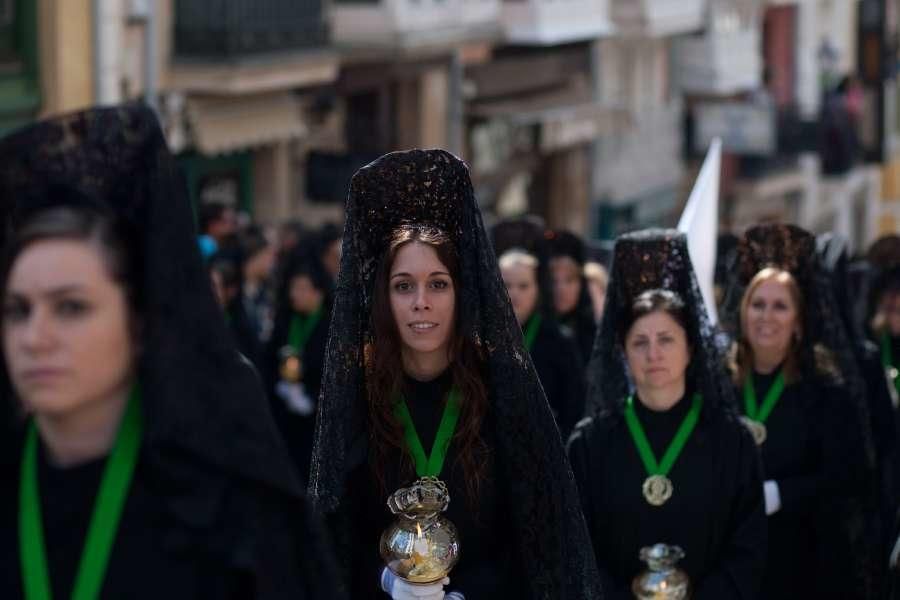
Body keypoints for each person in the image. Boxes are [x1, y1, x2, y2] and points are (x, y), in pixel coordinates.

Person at [0, 105, 338, 599]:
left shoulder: (227, 510)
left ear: (139, 321)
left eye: (71, 307)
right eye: (17, 310)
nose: (35, 336)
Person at [308, 149, 602, 599]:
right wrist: (387, 580)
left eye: (438, 284)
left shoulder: (503, 387)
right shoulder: (358, 393)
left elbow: (536, 536)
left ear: (462, 294)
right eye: (403, 285)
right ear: (384, 299)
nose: (420, 302)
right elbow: (336, 533)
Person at [569, 229, 766, 599]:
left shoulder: (732, 441)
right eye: (639, 342)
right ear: (624, 353)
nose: (653, 354)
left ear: (691, 348)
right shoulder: (590, 443)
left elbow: (748, 549)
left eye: (666, 340)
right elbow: (577, 547)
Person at [726, 224, 876, 599]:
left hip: (806, 562)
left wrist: (780, 494)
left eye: (780, 306)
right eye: (758, 304)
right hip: (733, 559)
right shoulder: (720, 383)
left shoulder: (825, 389)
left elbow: (849, 476)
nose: (767, 316)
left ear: (798, 322)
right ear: (743, 312)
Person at [499, 249, 585, 439]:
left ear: (537, 289)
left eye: (523, 286)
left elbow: (573, 408)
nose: (514, 293)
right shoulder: (480, 337)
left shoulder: (560, 340)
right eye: (506, 285)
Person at [266, 244, 332, 480]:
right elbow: (268, 358)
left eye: (303, 288)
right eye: (294, 287)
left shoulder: (328, 328)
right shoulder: (285, 321)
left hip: (315, 420)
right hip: (284, 415)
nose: (296, 294)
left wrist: (311, 398)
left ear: (319, 292)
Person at [545, 229, 597, 365]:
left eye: (569, 280)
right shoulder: (533, 329)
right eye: (553, 280)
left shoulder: (594, 335)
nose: (561, 289)